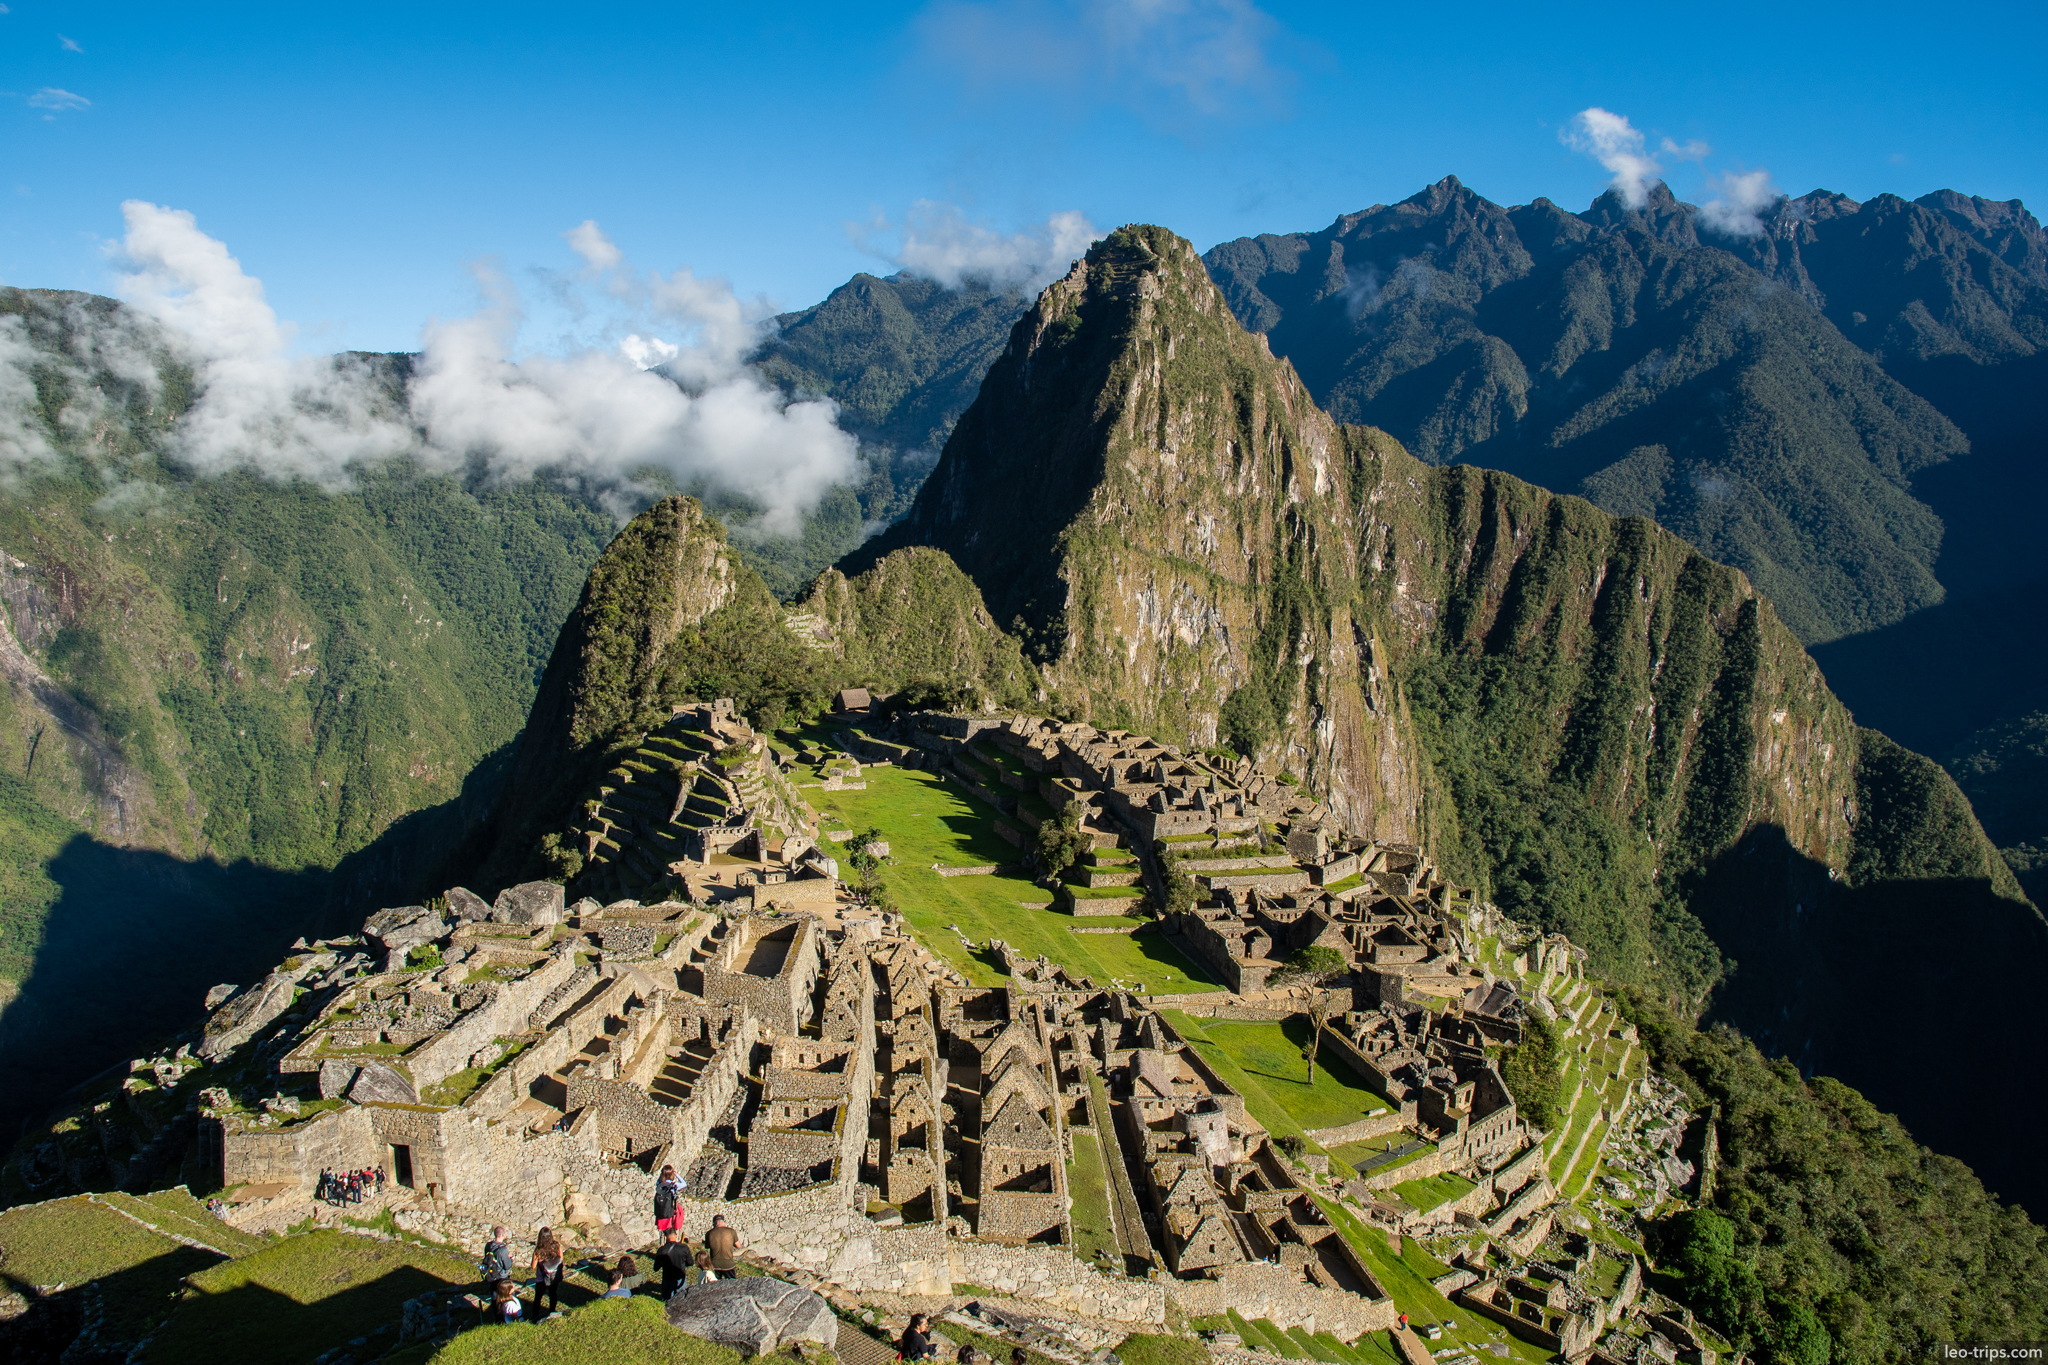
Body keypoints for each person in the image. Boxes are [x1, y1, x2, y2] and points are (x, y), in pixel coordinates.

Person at [530, 1227, 565, 1317]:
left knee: (538, 1297)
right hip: (554, 1275)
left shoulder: (538, 1250)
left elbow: (533, 1266)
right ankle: (552, 1311)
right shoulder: (557, 1246)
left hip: (541, 1278)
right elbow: (561, 1259)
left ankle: (535, 1316)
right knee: (553, 1294)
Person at [654, 1227, 692, 1299]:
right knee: (681, 1299)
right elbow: (690, 1263)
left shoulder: (662, 1250)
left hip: (667, 1278)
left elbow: (656, 1268)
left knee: (667, 1300)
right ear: (676, 1236)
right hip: (680, 1278)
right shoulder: (684, 1248)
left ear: (666, 1237)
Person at [653, 1163, 684, 1235]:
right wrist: (676, 1175)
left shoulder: (659, 1185)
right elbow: (684, 1183)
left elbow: (658, 1181)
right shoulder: (674, 1185)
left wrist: (662, 1175)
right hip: (670, 1213)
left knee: (662, 1233)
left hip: (661, 1213)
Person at [481, 1226, 515, 1291]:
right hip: (501, 1276)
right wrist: (511, 1259)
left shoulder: (488, 1245)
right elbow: (507, 1266)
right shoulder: (503, 1249)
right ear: (502, 1235)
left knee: (494, 1294)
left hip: (491, 1274)